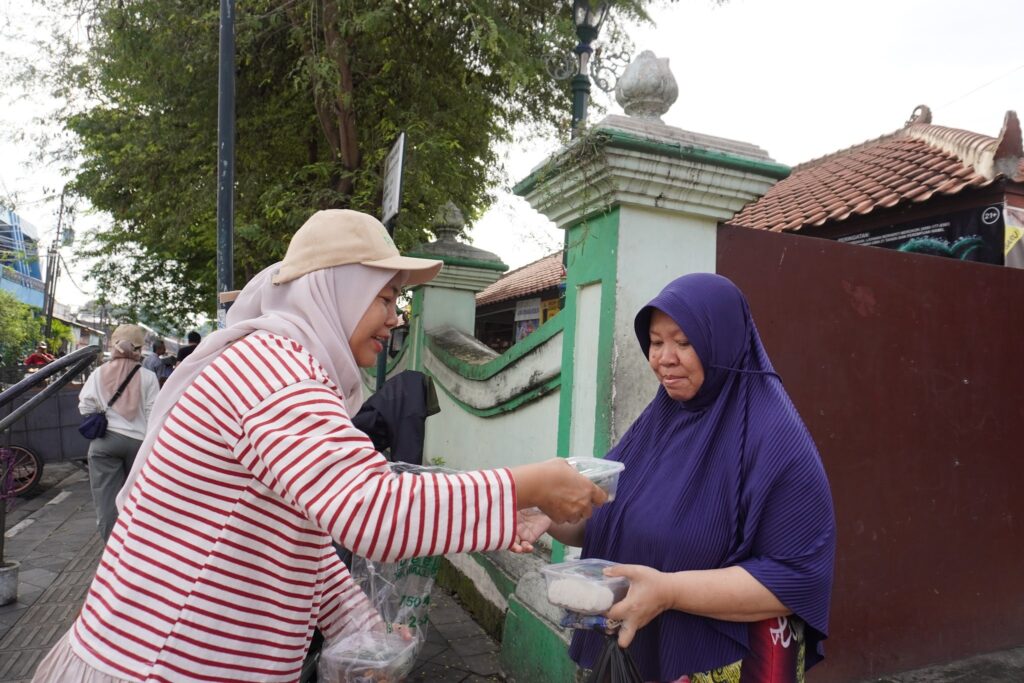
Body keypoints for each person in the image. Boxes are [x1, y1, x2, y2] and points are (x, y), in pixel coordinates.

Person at [32, 209, 606, 683]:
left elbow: (300, 532)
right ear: (336, 290)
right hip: (163, 662)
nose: (395, 318)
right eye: (384, 297)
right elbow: (372, 511)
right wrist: (528, 484)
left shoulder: (284, 366)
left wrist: (361, 627)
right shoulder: (275, 371)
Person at [518, 273, 836, 682]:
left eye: (684, 343)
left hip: (727, 663)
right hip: (638, 652)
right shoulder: (660, 419)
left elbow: (794, 578)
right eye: (655, 342)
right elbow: (613, 514)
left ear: (722, 340)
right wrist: (549, 511)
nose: (664, 358)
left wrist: (669, 592)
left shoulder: (774, 438)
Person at [77, 324, 160, 542]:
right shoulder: (148, 377)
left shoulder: (97, 374)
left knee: (107, 503)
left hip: (106, 443)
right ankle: (138, 547)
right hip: (139, 445)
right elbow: (154, 414)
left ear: (112, 345)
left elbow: (85, 407)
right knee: (139, 499)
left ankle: (112, 552)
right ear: (139, 348)